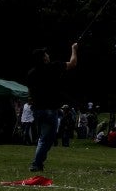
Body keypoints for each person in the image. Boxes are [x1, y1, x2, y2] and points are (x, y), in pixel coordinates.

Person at [26, 43, 79, 172]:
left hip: (38, 110)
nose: (48, 55)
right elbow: (73, 63)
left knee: (44, 138)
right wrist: (74, 49)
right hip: (50, 109)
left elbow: (30, 93)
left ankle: (38, 163)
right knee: (46, 139)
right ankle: (36, 164)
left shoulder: (31, 73)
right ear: (44, 58)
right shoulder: (53, 67)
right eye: (46, 54)